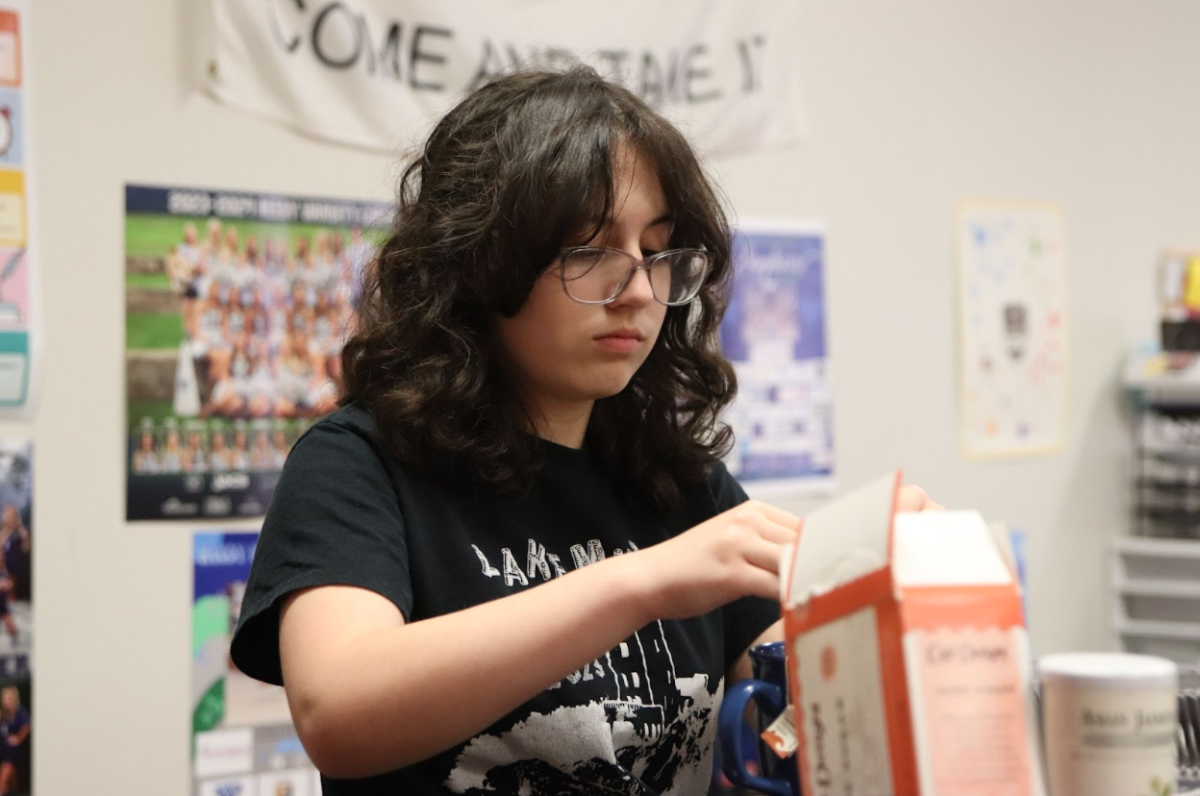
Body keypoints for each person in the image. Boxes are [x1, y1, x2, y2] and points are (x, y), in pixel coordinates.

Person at [230, 67, 940, 795]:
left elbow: (790, 724)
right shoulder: (360, 464)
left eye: (659, 254)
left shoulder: (679, 481)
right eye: (591, 251)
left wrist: (870, 598)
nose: (638, 290)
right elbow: (338, 712)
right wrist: (644, 583)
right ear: (482, 261)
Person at [0, 686, 28, 796]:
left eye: (9, 698)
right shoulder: (3, 713)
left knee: (3, 782)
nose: (6, 701)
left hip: (12, 756)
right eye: (4, 698)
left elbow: (27, 725)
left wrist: (18, 738)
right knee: (10, 785)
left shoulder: (20, 712)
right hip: (4, 754)